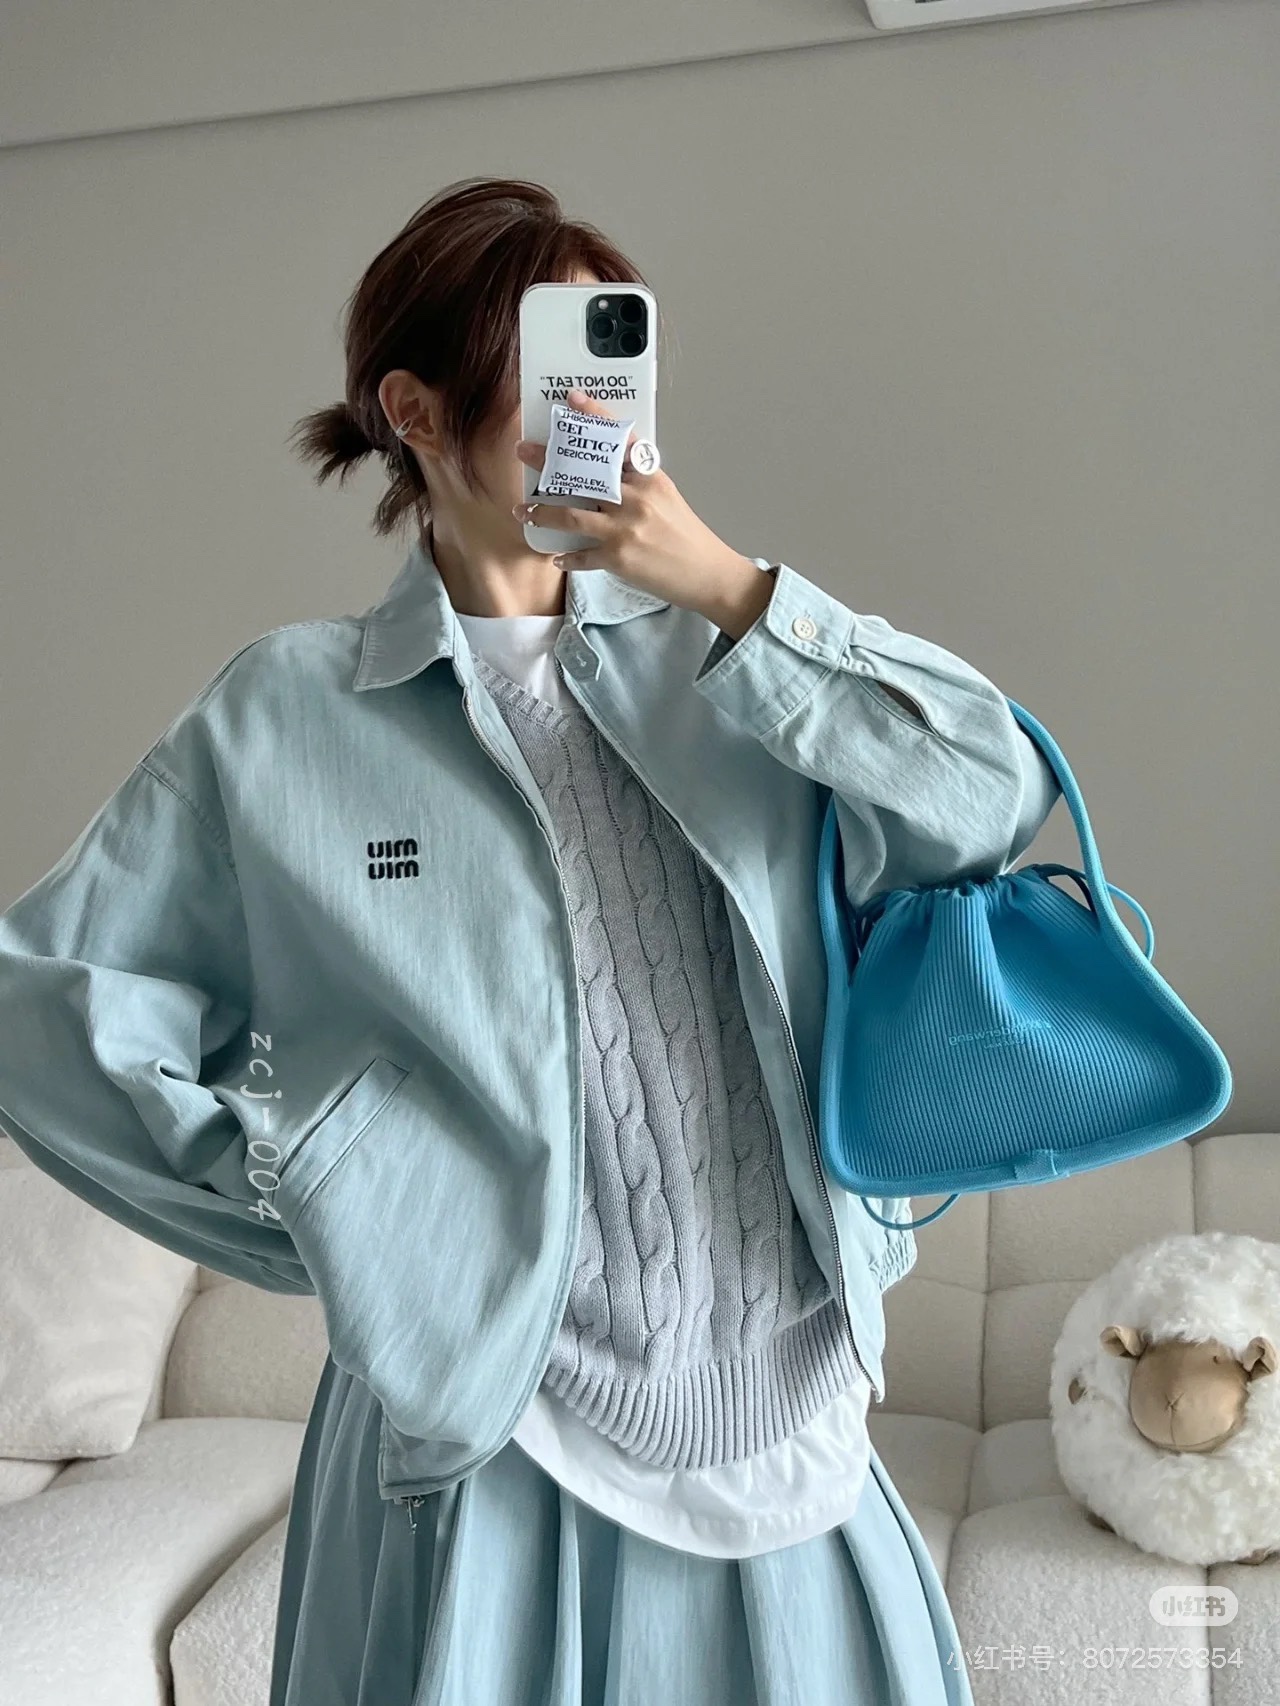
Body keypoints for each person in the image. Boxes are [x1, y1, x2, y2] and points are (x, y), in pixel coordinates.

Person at [0, 176, 1061, 1704]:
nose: (592, 405)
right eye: (544, 358)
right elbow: (46, 1005)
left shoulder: (738, 659)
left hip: (790, 1399)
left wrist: (728, 586)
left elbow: (990, 792)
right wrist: (332, 1194)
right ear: (416, 410)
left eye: (608, 351)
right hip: (485, 1423)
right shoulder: (288, 715)